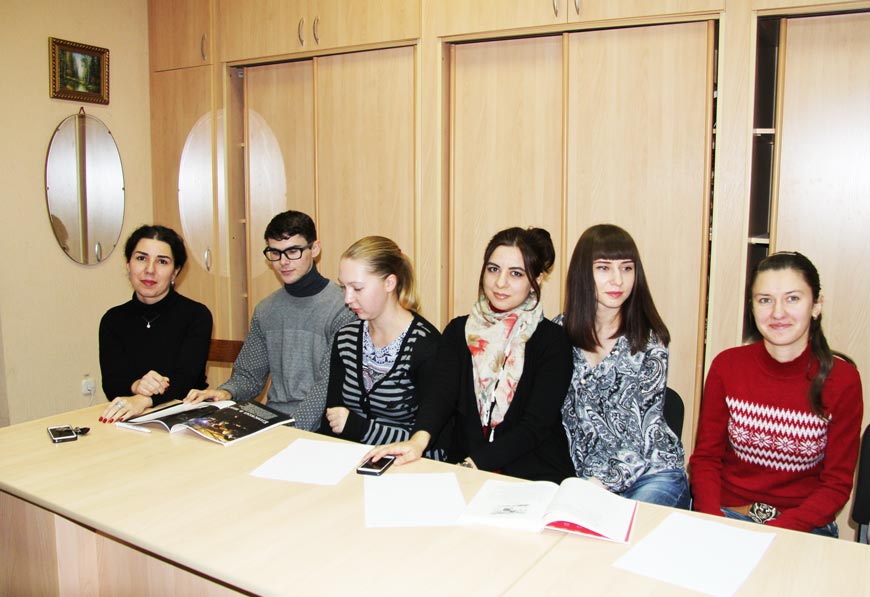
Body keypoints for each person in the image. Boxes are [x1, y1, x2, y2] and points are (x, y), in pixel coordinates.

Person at [366, 227, 574, 483]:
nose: (500, 283)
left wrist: (473, 465)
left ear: (536, 279)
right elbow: (440, 395)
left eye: (516, 273)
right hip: (467, 467)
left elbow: (535, 426)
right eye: (493, 269)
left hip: (532, 475)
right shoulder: (458, 331)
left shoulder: (553, 340)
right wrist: (417, 441)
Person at [690, 251, 863, 536]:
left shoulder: (843, 380)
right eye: (765, 300)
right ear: (752, 307)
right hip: (729, 515)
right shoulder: (727, 366)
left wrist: (778, 532)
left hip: (803, 526)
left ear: (816, 305)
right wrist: (713, 522)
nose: (778, 313)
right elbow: (706, 459)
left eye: (792, 298)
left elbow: (836, 484)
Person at [556, 224, 688, 507]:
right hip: (585, 477)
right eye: (604, 268)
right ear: (583, 272)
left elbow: (641, 437)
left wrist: (594, 487)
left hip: (652, 474)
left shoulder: (649, 340)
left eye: (627, 268)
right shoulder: (559, 332)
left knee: (629, 526)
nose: (618, 280)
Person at [185, 211, 354, 430]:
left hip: (323, 425)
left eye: (292, 251)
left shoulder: (343, 306)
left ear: (314, 249)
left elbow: (327, 386)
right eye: (275, 252)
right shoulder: (266, 310)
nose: (283, 262)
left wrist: (290, 430)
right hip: (275, 419)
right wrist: (226, 392)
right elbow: (249, 375)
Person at [318, 237, 441, 454]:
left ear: (389, 283)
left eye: (357, 288)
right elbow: (332, 418)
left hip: (408, 465)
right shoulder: (345, 338)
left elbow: (433, 439)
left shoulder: (426, 345)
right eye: (344, 287)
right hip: (351, 459)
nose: (347, 299)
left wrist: (360, 428)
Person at [99, 225, 213, 422]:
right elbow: (111, 384)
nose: (150, 270)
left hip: (187, 416)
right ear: (128, 265)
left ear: (175, 271)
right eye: (141, 258)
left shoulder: (197, 315)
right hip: (132, 419)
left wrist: (143, 400)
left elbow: (185, 380)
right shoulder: (113, 319)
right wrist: (136, 386)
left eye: (162, 261)